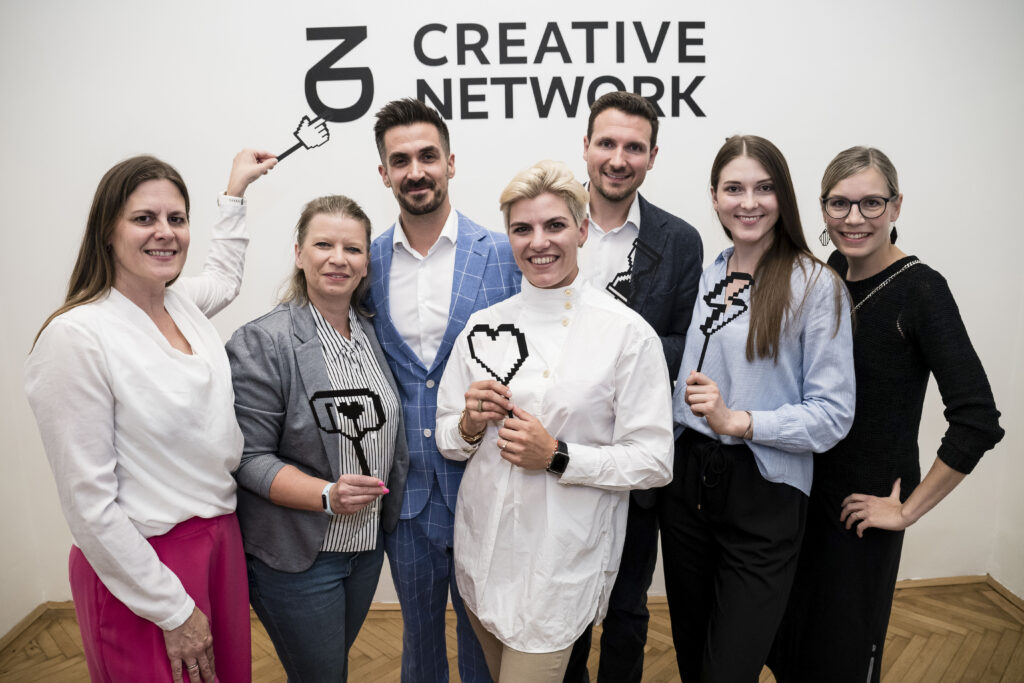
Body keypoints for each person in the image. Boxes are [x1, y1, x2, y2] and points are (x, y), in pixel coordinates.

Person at [24, 149, 276, 683]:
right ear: (107, 231)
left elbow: (224, 276)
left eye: (176, 218)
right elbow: (89, 506)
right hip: (142, 566)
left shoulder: (179, 304)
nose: (165, 232)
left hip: (218, 543)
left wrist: (234, 194)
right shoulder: (76, 337)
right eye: (144, 218)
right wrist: (172, 609)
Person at [768, 147, 1004, 683]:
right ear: (823, 209)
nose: (855, 218)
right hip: (804, 500)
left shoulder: (922, 290)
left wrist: (906, 511)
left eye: (871, 203)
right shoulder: (828, 273)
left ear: (896, 206)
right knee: (792, 650)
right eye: (840, 204)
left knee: (842, 661)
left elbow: (977, 419)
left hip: (860, 515)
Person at [435, 159, 674, 682]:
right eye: (522, 228)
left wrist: (558, 456)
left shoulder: (626, 334)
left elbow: (655, 461)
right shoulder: (482, 327)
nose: (538, 242)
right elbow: (449, 439)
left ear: (582, 230)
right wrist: (470, 424)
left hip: (561, 563)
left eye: (555, 225)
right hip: (484, 554)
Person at [657, 134, 856, 681]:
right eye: (734, 189)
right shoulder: (712, 271)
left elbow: (833, 414)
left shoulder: (816, 286)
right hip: (688, 484)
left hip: (764, 489)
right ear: (714, 197)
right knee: (693, 657)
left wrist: (739, 421)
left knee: (730, 668)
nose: (748, 202)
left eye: (764, 188)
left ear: (783, 196)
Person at [367, 97, 520, 683]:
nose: (416, 171)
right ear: (384, 173)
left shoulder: (505, 254)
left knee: (486, 637)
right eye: (400, 160)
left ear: (451, 163)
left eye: (428, 156)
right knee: (419, 641)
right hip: (405, 490)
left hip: (489, 481)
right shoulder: (366, 262)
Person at [226, 195, 410, 682]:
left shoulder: (375, 334)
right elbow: (248, 457)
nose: (338, 258)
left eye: (352, 248)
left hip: (366, 547)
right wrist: (327, 495)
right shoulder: (263, 341)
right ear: (299, 253)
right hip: (300, 556)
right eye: (323, 245)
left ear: (366, 263)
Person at [563, 90, 703, 683]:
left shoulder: (681, 240)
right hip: (559, 458)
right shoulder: (552, 224)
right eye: (607, 144)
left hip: (638, 460)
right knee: (563, 611)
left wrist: (615, 353)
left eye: (634, 148)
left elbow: (687, 344)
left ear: (652, 156)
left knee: (627, 610)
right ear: (586, 147)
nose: (619, 159)